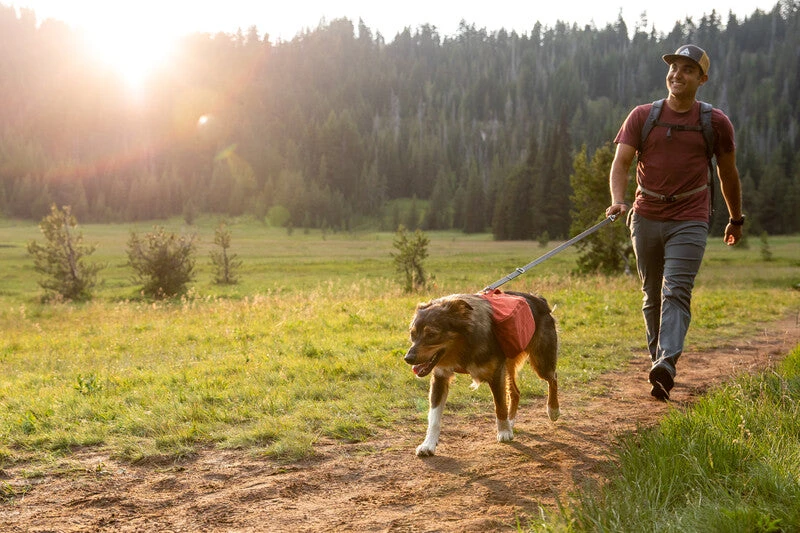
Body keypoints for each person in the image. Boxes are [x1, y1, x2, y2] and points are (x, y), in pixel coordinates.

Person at [605, 44, 744, 401]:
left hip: (690, 217)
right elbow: (620, 163)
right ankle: (660, 365)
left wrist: (735, 218)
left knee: (676, 290)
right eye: (673, 67)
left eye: (687, 69)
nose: (677, 74)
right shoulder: (642, 116)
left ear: (702, 79)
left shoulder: (715, 122)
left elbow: (727, 174)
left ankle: (666, 361)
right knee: (651, 295)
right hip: (646, 215)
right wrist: (618, 201)